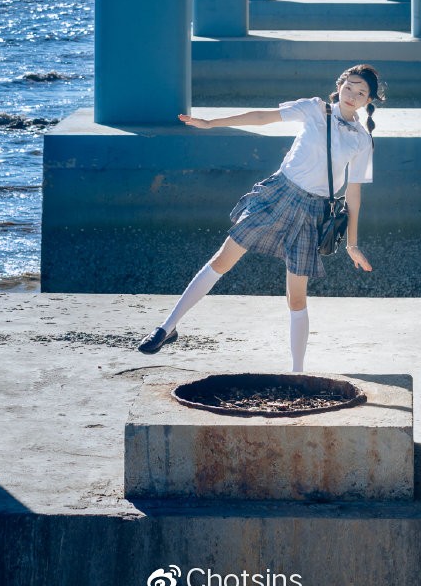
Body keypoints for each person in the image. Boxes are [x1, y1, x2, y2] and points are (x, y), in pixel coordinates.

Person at [137, 66, 385, 371]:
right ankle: (167, 327)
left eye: (361, 93)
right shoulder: (313, 109)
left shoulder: (362, 139)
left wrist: (352, 244)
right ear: (341, 84)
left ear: (368, 100)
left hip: (313, 212)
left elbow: (354, 194)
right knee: (222, 260)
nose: (352, 95)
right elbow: (261, 117)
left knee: (296, 298)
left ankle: (297, 373)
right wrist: (211, 123)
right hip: (279, 194)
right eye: (350, 87)